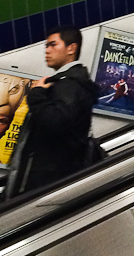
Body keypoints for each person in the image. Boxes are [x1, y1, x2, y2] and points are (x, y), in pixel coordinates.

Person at [6, 26, 98, 197]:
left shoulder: (69, 85)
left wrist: (36, 95)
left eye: (53, 45)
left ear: (71, 48)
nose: (47, 51)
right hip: (53, 177)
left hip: (46, 181)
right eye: (46, 46)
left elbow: (54, 122)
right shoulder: (72, 83)